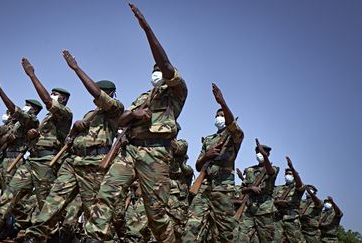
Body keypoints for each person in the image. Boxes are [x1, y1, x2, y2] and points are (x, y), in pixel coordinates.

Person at [85, 3, 187, 242]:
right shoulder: (143, 96)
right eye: (153, 70)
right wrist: (135, 115)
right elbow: (120, 120)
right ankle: (92, 237)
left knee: (156, 214)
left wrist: (147, 30)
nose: (156, 73)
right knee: (106, 193)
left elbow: (167, 65)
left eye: (159, 70)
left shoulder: (177, 92)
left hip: (155, 153)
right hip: (130, 150)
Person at [0, 57, 73, 243]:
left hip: (47, 163)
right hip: (31, 160)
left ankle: (55, 235)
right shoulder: (45, 119)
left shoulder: (65, 114)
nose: (52, 95)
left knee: (45, 204)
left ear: (63, 99)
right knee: (8, 194)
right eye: (52, 93)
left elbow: (46, 101)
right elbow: (16, 112)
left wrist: (32, 75)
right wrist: (32, 135)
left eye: (56, 94)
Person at [22, 51, 124, 242]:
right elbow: (69, 139)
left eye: (100, 92)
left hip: (94, 163)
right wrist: (75, 130)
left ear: (108, 94)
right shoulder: (88, 114)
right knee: (53, 200)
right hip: (72, 160)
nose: (95, 95)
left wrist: (76, 69)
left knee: (94, 209)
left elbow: (96, 94)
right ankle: (35, 236)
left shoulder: (115, 109)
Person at [182, 83, 244, 242]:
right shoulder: (209, 139)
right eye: (218, 114)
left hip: (223, 189)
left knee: (225, 233)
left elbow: (233, 127)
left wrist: (222, 102)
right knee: (191, 226)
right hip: (204, 188)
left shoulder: (235, 137)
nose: (220, 117)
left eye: (222, 115)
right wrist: (206, 156)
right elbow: (197, 165)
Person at [236, 140, 279, 242]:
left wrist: (264, 157)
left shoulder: (274, 168)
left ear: (267, 154)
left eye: (262, 152)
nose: (259, 155)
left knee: (266, 239)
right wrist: (250, 188)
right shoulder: (250, 170)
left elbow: (271, 172)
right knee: (241, 238)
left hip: (264, 210)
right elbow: (243, 189)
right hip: (249, 209)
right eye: (258, 153)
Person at [272, 156, 305, 243]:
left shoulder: (298, 188)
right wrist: (278, 202)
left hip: (291, 219)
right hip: (278, 219)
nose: (288, 176)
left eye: (291, 174)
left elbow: (299, 184)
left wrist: (292, 168)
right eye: (287, 174)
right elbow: (273, 200)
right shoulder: (279, 188)